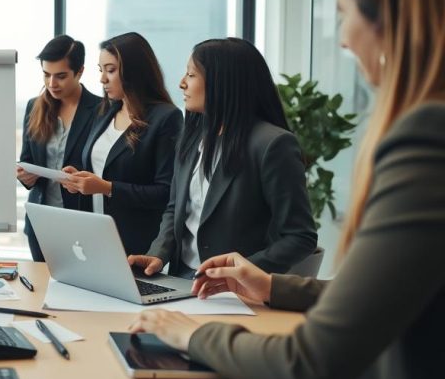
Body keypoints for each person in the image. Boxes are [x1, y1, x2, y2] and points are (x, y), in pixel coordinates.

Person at [128, 0, 445, 379]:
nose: (344, 39)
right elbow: (384, 297)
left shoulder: (427, 138)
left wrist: (185, 334)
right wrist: (272, 285)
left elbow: (313, 363)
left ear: (395, 18)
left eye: (347, 13)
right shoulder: (194, 137)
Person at [129, 38, 317, 279]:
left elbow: (300, 237)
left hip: (238, 293)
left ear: (222, 82)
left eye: (191, 75)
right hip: (182, 278)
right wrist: (158, 253)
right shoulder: (191, 136)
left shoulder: (272, 144)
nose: (181, 83)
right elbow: (175, 208)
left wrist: (238, 273)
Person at [59, 32, 183, 256]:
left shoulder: (166, 118)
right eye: (101, 70)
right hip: (93, 237)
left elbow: (166, 193)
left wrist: (107, 188)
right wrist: (80, 179)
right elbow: (102, 169)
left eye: (111, 70)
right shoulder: (106, 110)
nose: (102, 79)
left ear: (134, 70)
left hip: (135, 245)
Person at [17, 34, 102, 261]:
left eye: (61, 76)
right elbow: (27, 158)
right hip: (41, 222)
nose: (52, 84)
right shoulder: (34, 107)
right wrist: (25, 176)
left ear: (80, 72)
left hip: (82, 221)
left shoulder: (102, 110)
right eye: (46, 75)